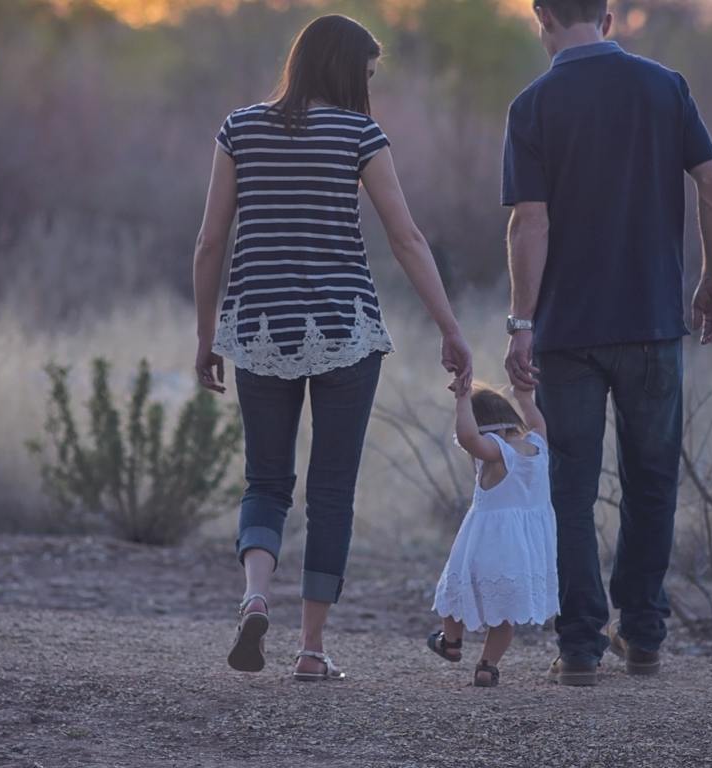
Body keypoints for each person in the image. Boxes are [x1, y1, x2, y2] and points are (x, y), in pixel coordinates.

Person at [190, 14, 472, 682]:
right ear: (347, 70)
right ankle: (311, 650)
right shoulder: (359, 134)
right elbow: (406, 239)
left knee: (266, 480)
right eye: (368, 74)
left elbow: (208, 243)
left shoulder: (240, 128)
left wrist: (207, 338)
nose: (370, 88)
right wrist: (450, 328)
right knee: (332, 493)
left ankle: (256, 594)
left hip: (259, 328)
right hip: (346, 330)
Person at [499, 0, 712, 686]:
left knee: (569, 490)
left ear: (542, 18)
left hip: (567, 334)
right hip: (653, 326)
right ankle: (644, 634)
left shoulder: (533, 105)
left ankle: (579, 648)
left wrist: (521, 322)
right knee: (652, 482)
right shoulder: (665, 87)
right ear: (606, 16)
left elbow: (529, 223)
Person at [426, 382, 558, 688]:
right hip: (524, 551)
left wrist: (461, 401)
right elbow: (537, 421)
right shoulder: (538, 445)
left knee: (455, 591)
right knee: (504, 615)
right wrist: (525, 398)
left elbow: (469, 438)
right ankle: (487, 666)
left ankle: (452, 642)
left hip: (487, 544)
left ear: (485, 427)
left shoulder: (497, 452)